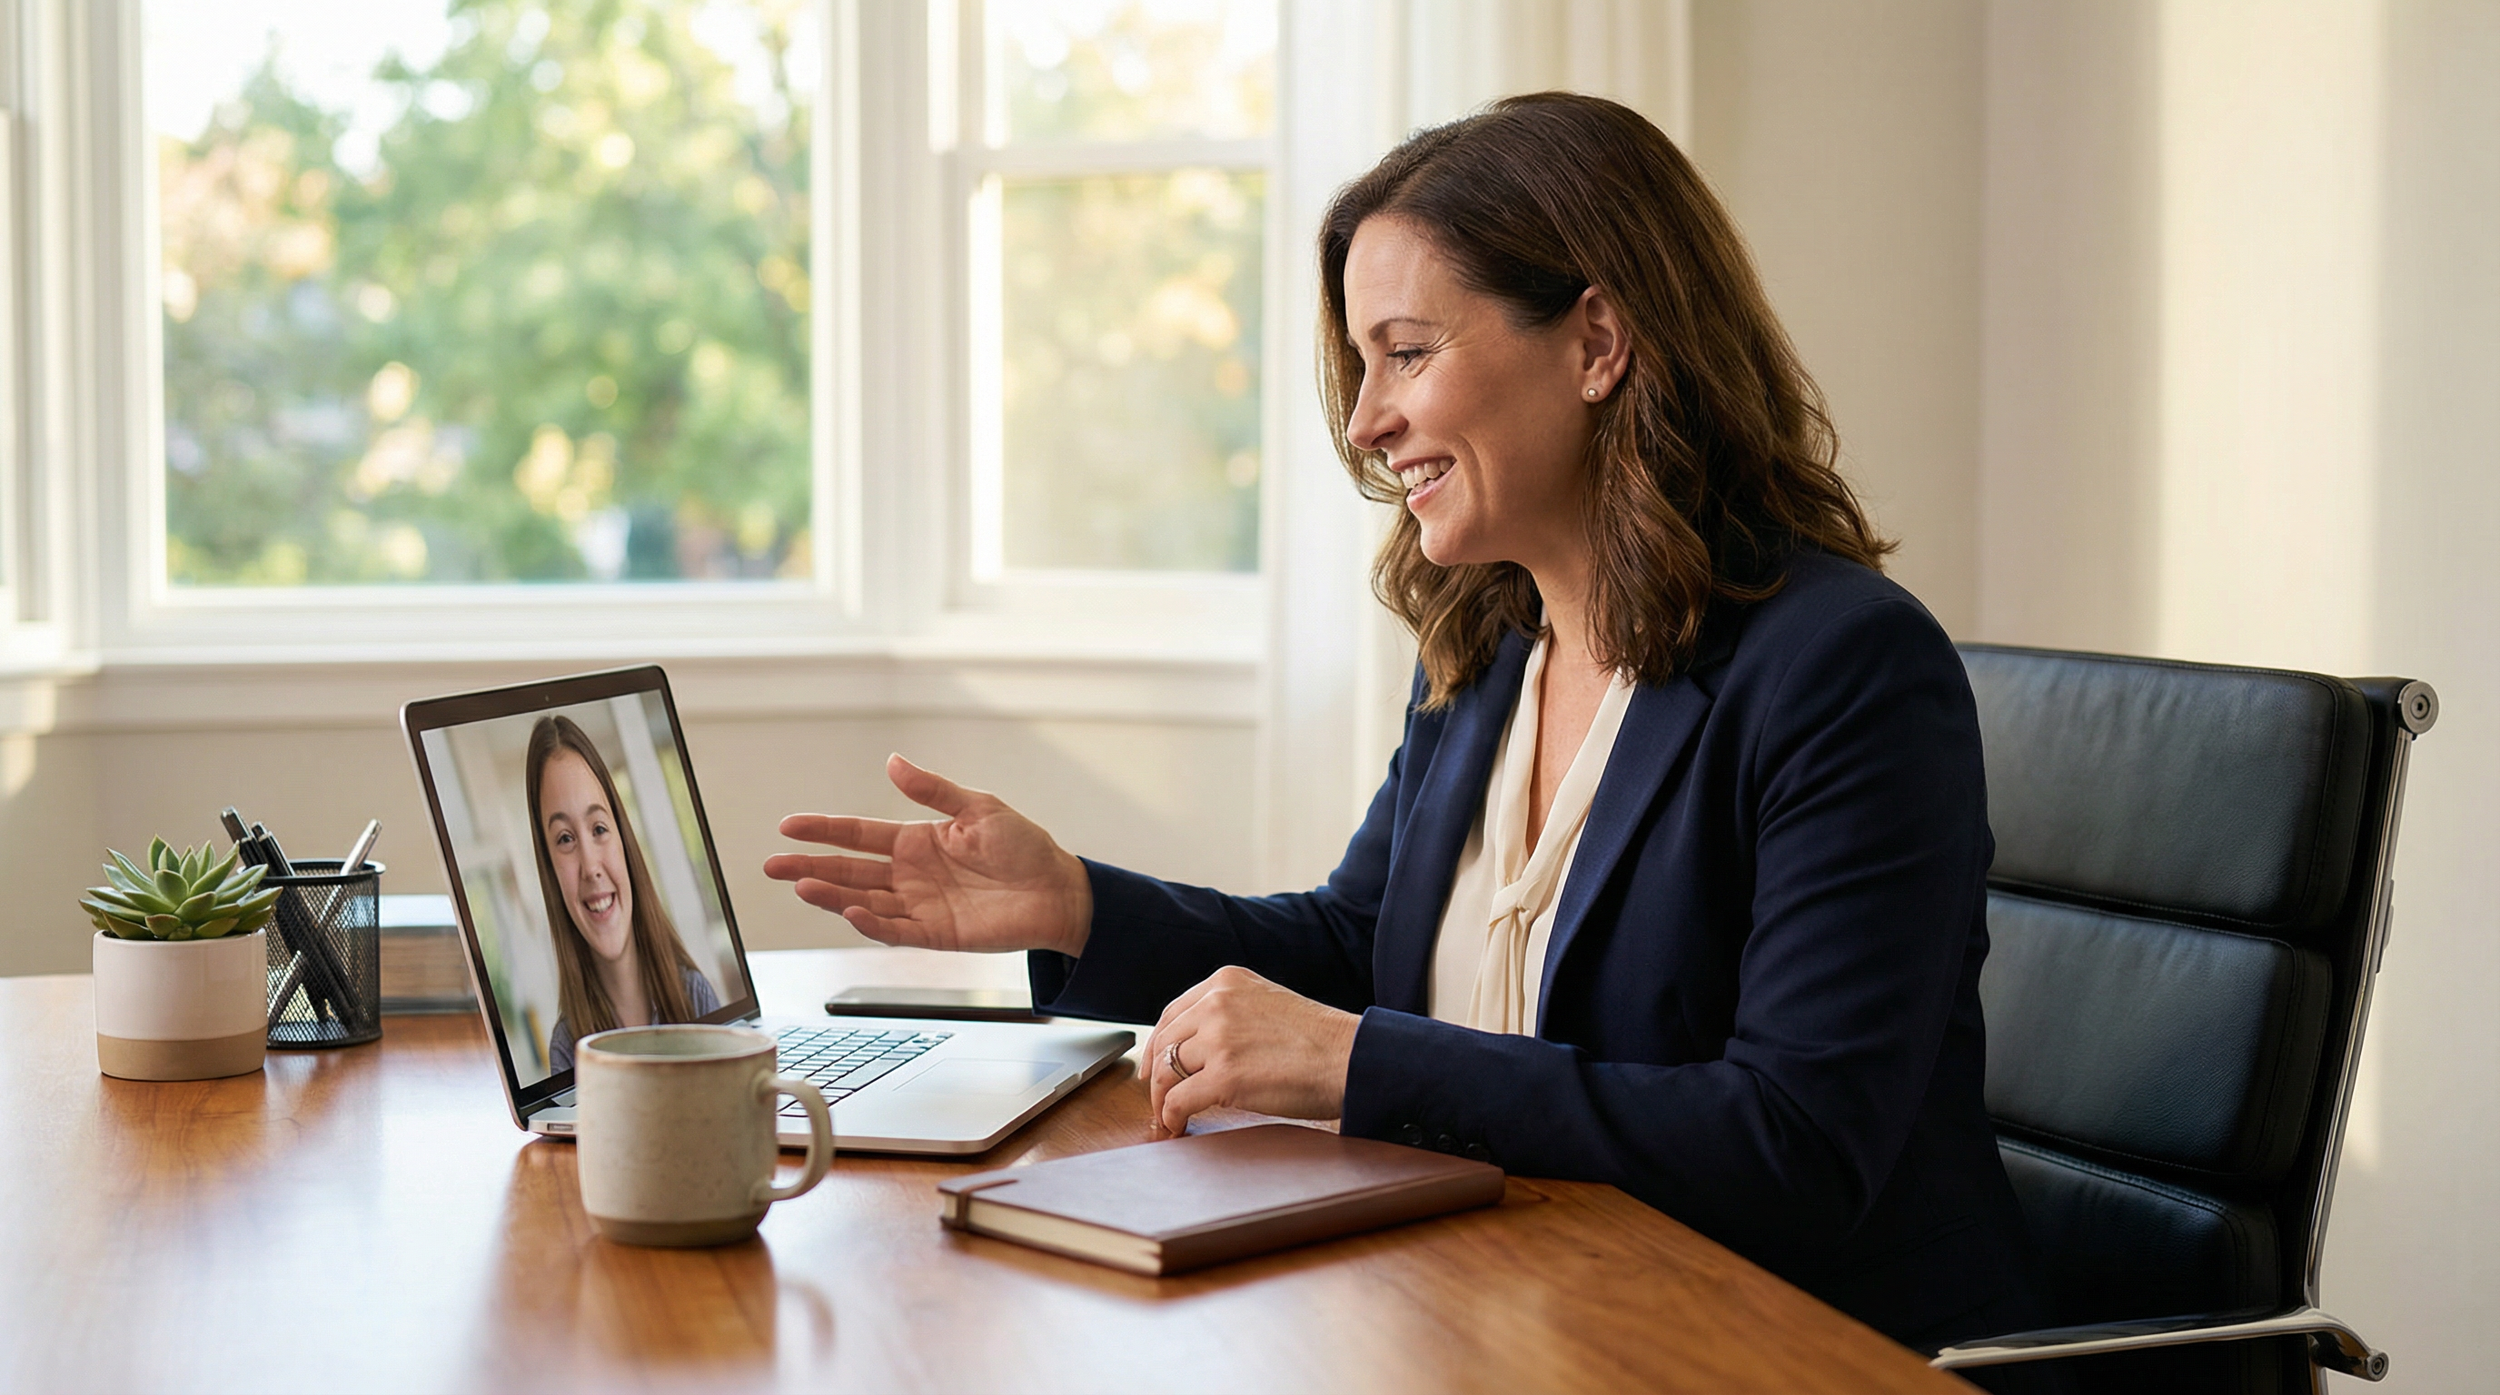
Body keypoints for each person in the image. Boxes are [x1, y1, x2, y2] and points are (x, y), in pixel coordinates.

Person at [765, 93, 2051, 1367]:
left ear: (1597, 342)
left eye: (1407, 353)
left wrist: (1357, 1065)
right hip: (1526, 1314)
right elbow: (1358, 949)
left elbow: (1795, 1147)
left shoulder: (1845, 669)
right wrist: (1078, 910)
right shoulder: (1489, 648)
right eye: (1360, 365)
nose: (1366, 422)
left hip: (1783, 1353)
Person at [528, 714, 719, 1074]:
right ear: (550, 871)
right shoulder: (567, 1050)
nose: (591, 866)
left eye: (599, 828)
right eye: (565, 839)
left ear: (625, 843)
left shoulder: (695, 998)